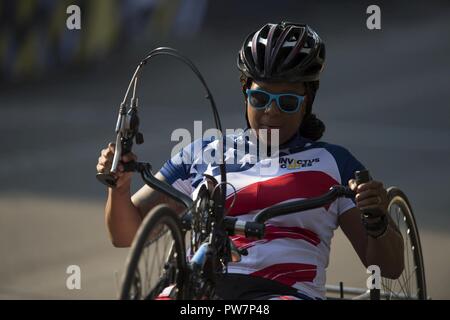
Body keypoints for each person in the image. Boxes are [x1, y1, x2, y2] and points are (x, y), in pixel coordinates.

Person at [96, 22, 404, 300]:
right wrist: (119, 189)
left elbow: (388, 267)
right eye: (260, 99)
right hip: (201, 289)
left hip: (283, 294)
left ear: (307, 101)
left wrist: (376, 221)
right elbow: (127, 235)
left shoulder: (336, 163)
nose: (271, 112)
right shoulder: (202, 152)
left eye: (286, 102)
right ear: (246, 92)